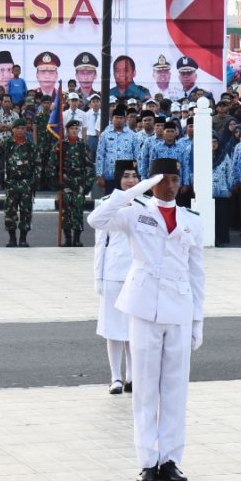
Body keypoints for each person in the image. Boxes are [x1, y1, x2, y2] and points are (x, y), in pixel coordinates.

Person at [87, 160, 205, 481]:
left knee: (175, 389)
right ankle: (147, 460)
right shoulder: (135, 212)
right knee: (145, 388)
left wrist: (198, 319)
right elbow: (97, 219)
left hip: (179, 308)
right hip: (144, 307)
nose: (170, 186)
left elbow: (197, 273)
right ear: (153, 182)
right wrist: (135, 190)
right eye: (163, 180)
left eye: (175, 179)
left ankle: (170, 459)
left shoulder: (191, 220)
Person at [94, 159, 140, 394]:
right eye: (126, 176)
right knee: (113, 329)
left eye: (134, 176)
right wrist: (98, 278)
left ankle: (132, 376)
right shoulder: (107, 205)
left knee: (134, 329)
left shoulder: (145, 205)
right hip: (113, 272)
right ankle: (116, 377)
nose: (130, 181)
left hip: (137, 274)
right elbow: (100, 245)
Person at [0, 118, 38, 247]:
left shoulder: (30, 145)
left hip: (26, 183)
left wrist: (34, 180)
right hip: (11, 182)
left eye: (23, 128)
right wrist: (1, 171)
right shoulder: (6, 144)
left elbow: (38, 163)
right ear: (13, 130)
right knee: (10, 211)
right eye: (18, 128)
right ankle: (12, 238)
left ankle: (23, 239)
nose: (20, 130)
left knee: (26, 212)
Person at [56, 120, 93, 247]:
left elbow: (89, 166)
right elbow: (53, 163)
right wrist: (55, 181)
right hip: (65, 182)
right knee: (65, 211)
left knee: (78, 211)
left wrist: (88, 183)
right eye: (72, 128)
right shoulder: (61, 145)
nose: (74, 130)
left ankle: (77, 238)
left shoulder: (83, 146)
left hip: (79, 183)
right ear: (67, 130)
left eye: (76, 128)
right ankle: (67, 238)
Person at [97, 105, 136, 194]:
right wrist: (99, 175)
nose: (119, 120)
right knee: (111, 200)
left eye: (121, 118)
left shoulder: (132, 135)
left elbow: (136, 156)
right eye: (116, 118)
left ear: (125, 119)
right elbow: (100, 155)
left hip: (127, 177)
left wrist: (137, 174)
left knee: (127, 201)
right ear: (112, 119)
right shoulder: (105, 135)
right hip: (110, 176)